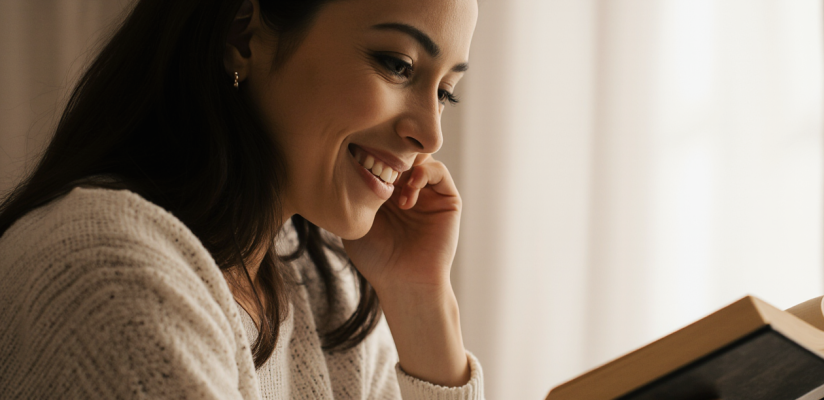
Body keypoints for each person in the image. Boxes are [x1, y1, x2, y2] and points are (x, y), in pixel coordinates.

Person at [0, 0, 482, 398]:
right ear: (241, 37)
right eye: (397, 65)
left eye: (445, 92)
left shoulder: (322, 287)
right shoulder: (111, 273)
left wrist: (421, 298)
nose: (431, 134)